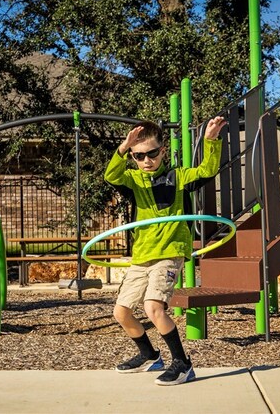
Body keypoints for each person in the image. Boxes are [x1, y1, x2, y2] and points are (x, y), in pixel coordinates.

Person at [104, 117, 226, 385]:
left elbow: (207, 170)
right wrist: (123, 148)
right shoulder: (133, 180)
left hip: (169, 252)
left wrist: (210, 141)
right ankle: (149, 355)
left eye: (151, 153)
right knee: (121, 312)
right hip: (142, 255)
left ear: (162, 151)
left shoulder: (179, 177)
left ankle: (182, 364)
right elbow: (111, 175)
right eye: (139, 156)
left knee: (153, 307)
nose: (146, 160)